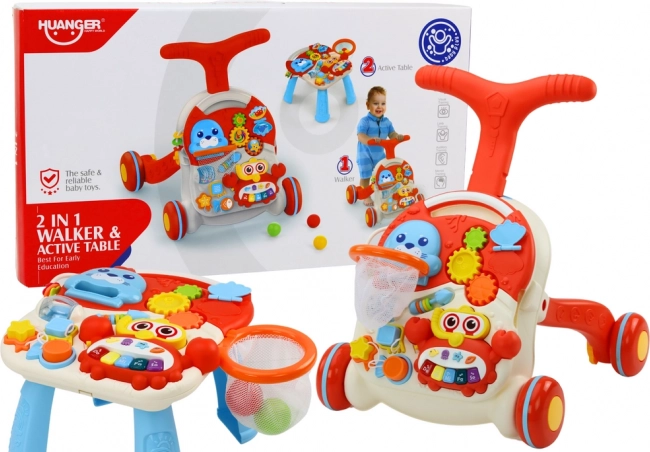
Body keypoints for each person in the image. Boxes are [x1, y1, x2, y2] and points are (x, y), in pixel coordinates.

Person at [356, 86, 404, 206]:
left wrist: (397, 136)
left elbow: (392, 134)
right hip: (365, 154)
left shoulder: (387, 122)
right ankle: (366, 196)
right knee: (366, 176)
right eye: (375, 103)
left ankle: (385, 191)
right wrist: (370, 140)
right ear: (368, 105)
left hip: (379, 154)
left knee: (383, 173)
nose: (379, 107)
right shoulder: (365, 121)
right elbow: (360, 135)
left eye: (383, 103)